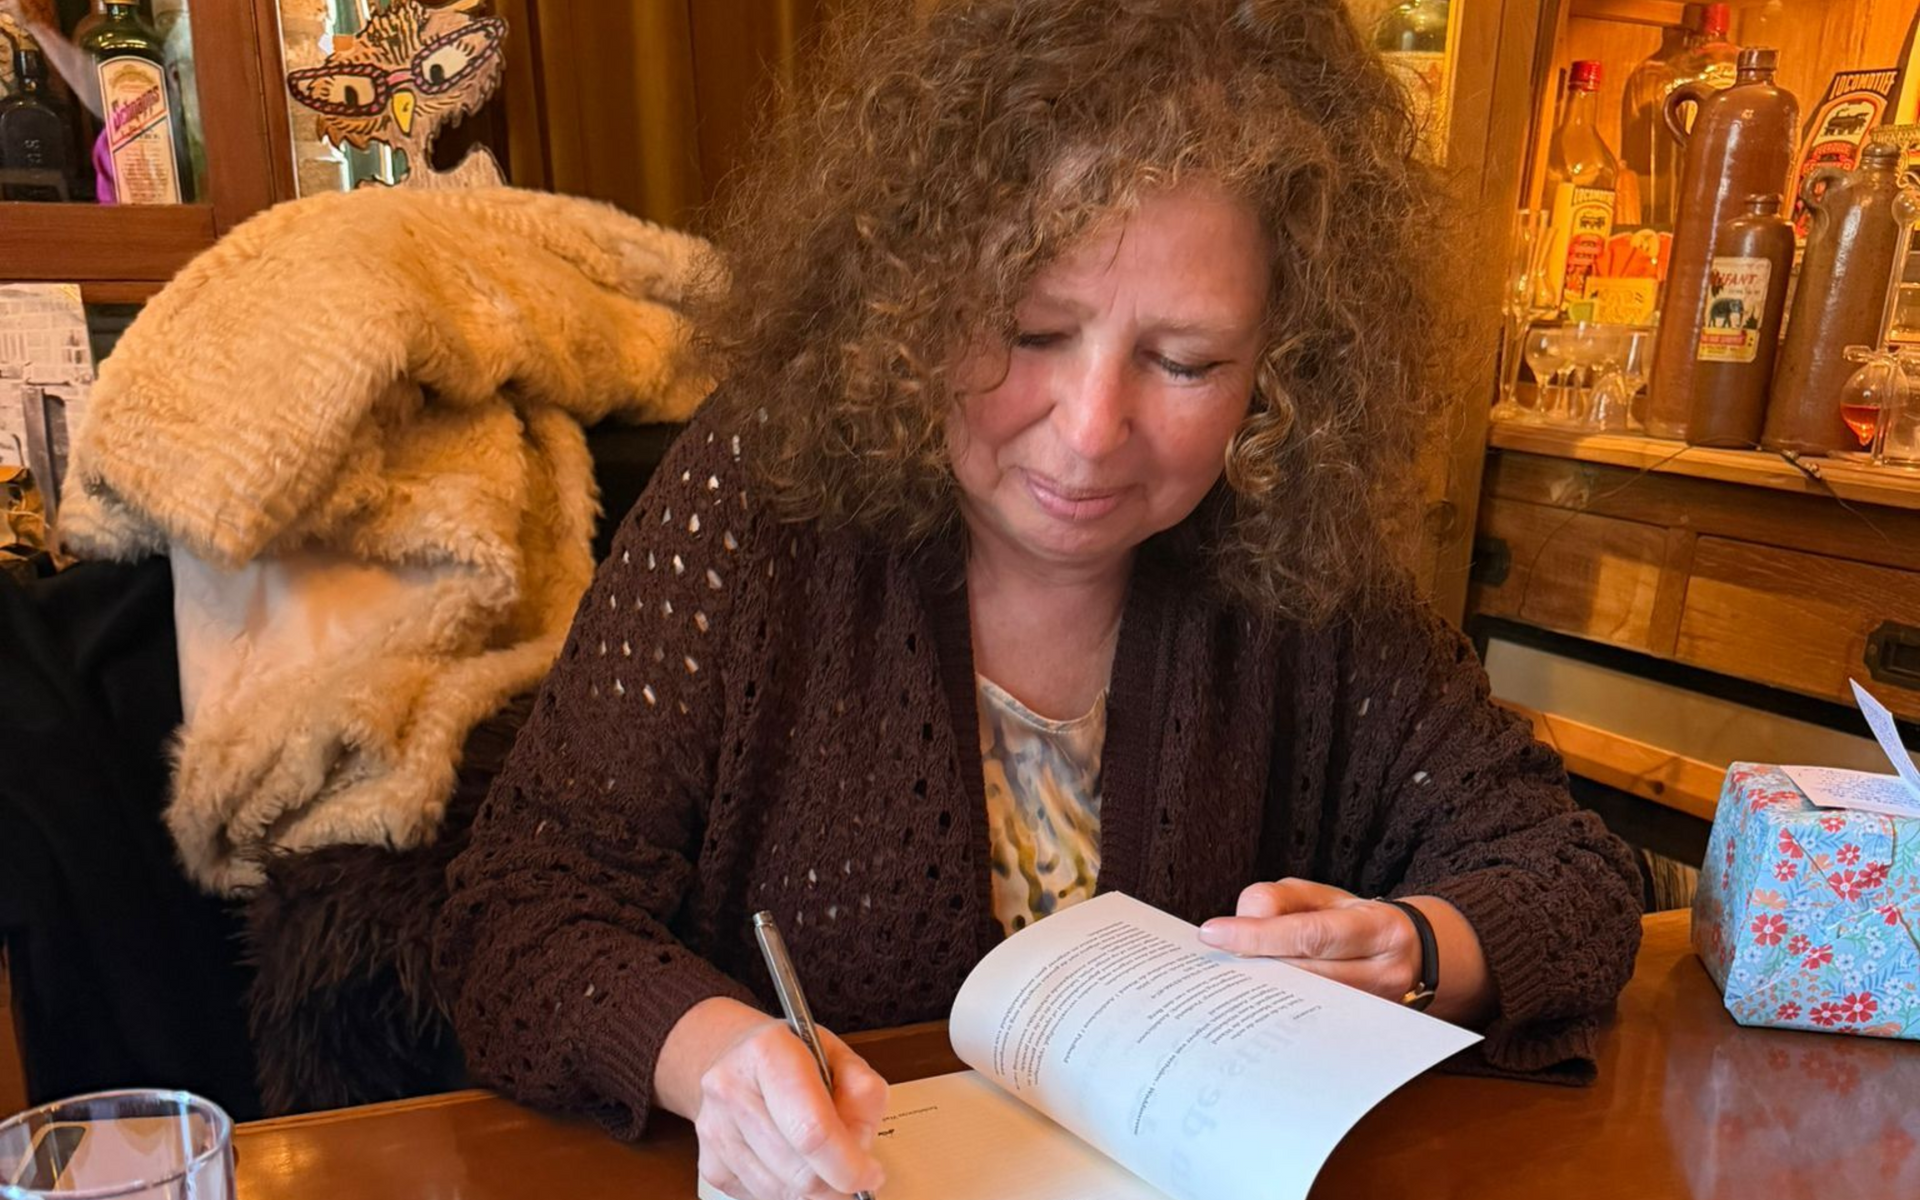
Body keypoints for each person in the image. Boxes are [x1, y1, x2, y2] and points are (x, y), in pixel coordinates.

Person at [433, 2, 1645, 1198]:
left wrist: (1417, 952)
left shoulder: (1293, 548)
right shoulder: (756, 500)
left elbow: (1573, 873)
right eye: (1029, 331)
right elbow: (518, 914)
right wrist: (719, 1064)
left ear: (1289, 368)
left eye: (1185, 362)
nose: (1091, 429)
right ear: (912, 296)